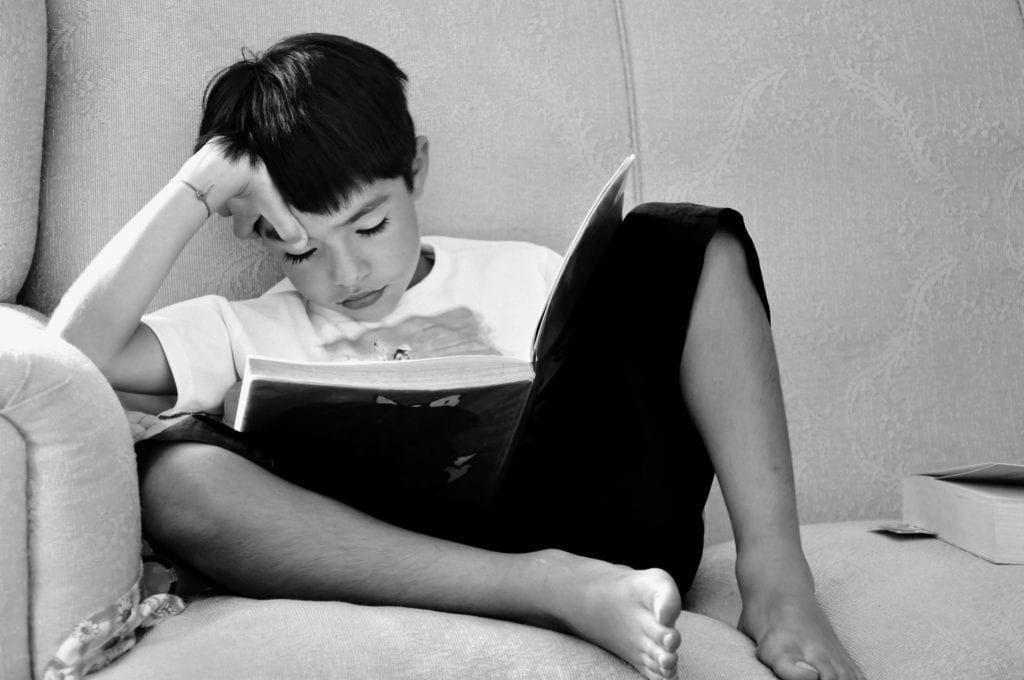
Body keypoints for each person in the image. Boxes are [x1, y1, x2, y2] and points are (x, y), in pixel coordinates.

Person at [49, 33, 863, 680]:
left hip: (595, 520)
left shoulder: (521, 273)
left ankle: (777, 574)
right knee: (173, 475)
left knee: (681, 238)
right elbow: (65, 366)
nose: (349, 273)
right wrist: (200, 186)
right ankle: (549, 590)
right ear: (257, 231)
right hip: (398, 553)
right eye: (302, 249)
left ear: (418, 169)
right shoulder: (243, 328)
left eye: (369, 226)